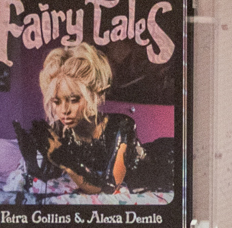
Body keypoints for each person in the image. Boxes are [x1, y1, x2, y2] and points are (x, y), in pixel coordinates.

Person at [13, 43, 143, 198]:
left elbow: (109, 187)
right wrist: (30, 159)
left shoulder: (121, 125)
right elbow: (50, 176)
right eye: (56, 102)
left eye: (74, 100)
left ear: (95, 96)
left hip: (157, 166)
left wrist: (65, 160)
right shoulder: (59, 129)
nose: (64, 110)